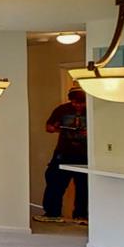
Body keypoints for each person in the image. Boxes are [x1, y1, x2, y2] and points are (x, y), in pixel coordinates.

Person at [37, 86, 89, 224]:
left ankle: (82, 215)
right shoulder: (62, 109)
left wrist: (90, 132)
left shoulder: (92, 110)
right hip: (63, 152)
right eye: (75, 102)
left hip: (85, 154)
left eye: (81, 103)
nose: (78, 105)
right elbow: (48, 127)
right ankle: (52, 213)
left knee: (84, 186)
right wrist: (55, 128)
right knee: (55, 182)